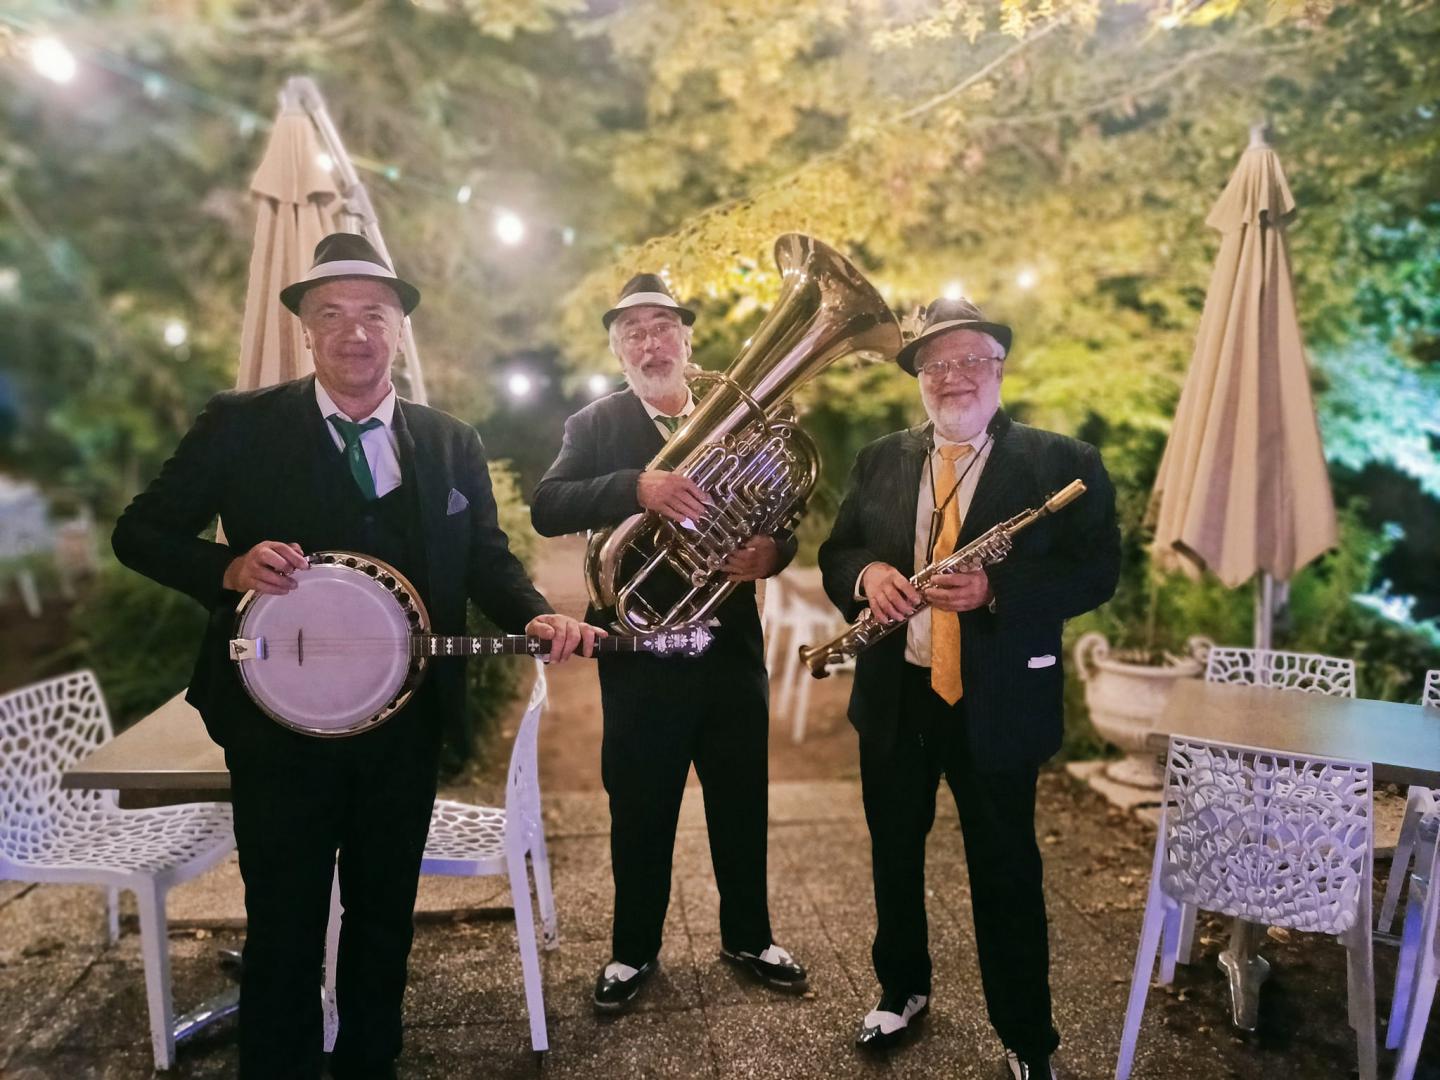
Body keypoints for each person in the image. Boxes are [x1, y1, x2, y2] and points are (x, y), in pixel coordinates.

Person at [112, 233, 599, 1079]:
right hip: (274, 726)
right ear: (304, 329)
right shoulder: (241, 425)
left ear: (400, 328)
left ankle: (372, 1063)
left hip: (402, 729)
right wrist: (226, 566)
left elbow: (485, 560)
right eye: (331, 313)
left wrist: (535, 614)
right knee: (284, 926)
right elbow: (139, 532)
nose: (355, 333)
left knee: (383, 922)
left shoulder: (449, 441)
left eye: (374, 313)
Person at [816, 297, 1120, 1079]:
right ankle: (901, 990)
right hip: (899, 693)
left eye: (970, 359)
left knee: (1007, 871)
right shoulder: (880, 459)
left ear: (1000, 367)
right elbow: (838, 550)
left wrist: (998, 591)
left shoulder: (1063, 462)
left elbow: (1098, 571)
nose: (953, 376)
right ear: (918, 377)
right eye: (935, 364)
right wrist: (867, 574)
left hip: (998, 700)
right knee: (893, 855)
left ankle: (1027, 1037)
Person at [530, 273, 809, 1012]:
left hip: (729, 649)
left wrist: (772, 554)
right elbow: (547, 506)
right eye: (633, 332)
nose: (650, 343)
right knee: (641, 807)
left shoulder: (743, 419)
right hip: (641, 654)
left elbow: (785, 511)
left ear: (688, 340)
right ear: (616, 349)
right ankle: (633, 950)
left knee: (742, 799)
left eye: (662, 328)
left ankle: (750, 936)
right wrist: (637, 487)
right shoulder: (595, 424)